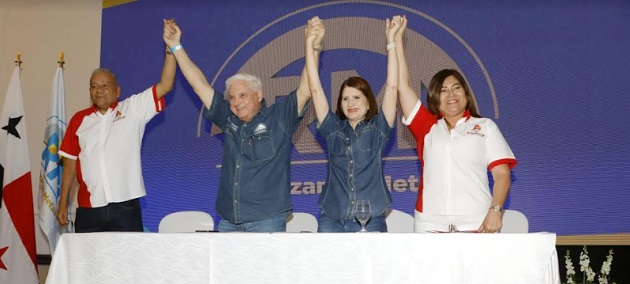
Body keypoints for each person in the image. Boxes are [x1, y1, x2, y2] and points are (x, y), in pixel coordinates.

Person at [162, 19, 320, 232]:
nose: (236, 102)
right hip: (229, 221)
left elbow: (306, 89)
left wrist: (313, 47)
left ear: (259, 94)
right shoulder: (228, 118)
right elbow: (199, 85)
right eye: (232, 97)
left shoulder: (279, 117)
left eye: (243, 95)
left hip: (267, 221)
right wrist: (176, 46)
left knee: (265, 267)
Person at [394, 16, 517, 233]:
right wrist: (396, 42)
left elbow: (502, 174)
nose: (451, 94)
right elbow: (403, 86)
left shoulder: (485, 127)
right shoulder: (427, 127)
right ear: (434, 98)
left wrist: (495, 210)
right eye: (443, 90)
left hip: (477, 222)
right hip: (430, 223)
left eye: (456, 87)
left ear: (466, 94)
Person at [56, 20, 177, 233]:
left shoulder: (133, 109)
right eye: (94, 86)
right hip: (88, 208)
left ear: (117, 90)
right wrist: (62, 201)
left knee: (129, 264)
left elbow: (165, 85)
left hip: (125, 207)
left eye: (105, 85)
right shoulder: (79, 120)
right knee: (90, 265)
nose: (99, 90)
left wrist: (170, 50)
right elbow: (69, 165)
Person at [304, 16, 401, 232]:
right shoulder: (332, 129)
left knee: (371, 267)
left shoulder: (379, 128)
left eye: (357, 97)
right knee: (327, 267)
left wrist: (391, 42)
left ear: (368, 103)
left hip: (371, 216)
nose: (350, 103)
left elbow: (393, 86)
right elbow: (315, 89)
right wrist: (310, 47)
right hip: (332, 217)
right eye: (345, 98)